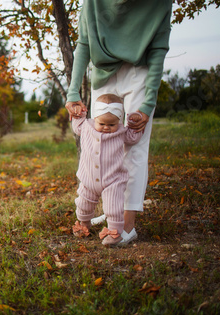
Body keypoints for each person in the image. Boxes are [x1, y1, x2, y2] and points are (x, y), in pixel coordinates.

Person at [65, 0, 172, 245]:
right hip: (103, 74)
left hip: (140, 71)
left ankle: (127, 224)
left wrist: (148, 104)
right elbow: (83, 43)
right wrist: (73, 93)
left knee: (134, 146)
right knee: (99, 144)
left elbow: (158, 49)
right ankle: (110, 210)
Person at [71, 94, 143, 246]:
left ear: (119, 121)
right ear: (94, 118)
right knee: (83, 204)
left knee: (113, 207)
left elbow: (133, 137)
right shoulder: (86, 126)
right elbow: (76, 124)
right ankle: (84, 224)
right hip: (88, 179)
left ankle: (114, 232)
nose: (106, 127)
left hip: (113, 180)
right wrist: (78, 113)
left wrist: (135, 122)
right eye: (102, 123)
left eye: (111, 125)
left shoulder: (121, 132)